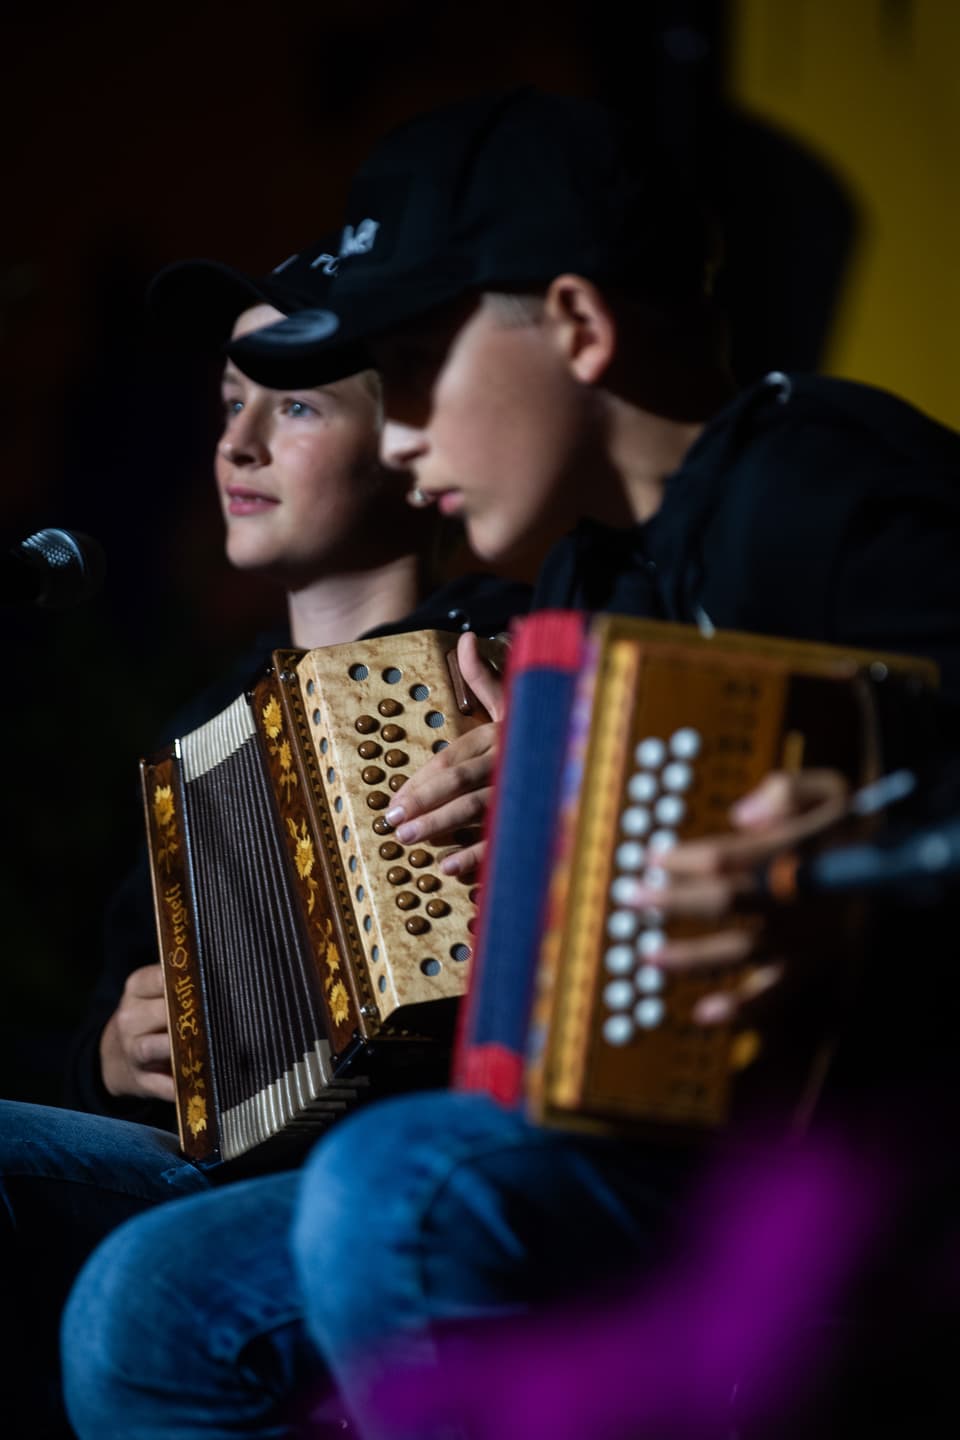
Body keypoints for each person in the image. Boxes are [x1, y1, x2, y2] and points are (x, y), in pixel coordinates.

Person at [62, 90, 960, 1439]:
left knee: (395, 1182)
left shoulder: (820, 483)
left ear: (582, 331)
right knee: (150, 1299)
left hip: (846, 1162)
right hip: (659, 1147)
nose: (401, 434)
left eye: (416, 370)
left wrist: (869, 849)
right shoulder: (591, 582)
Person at [0, 241, 529, 1438]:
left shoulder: (518, 652)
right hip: (218, 1169)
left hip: (419, 1159)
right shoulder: (205, 733)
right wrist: (112, 1052)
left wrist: (541, 763)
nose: (236, 445)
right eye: (228, 404)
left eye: (291, 405)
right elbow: (114, 1011)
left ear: (412, 439)